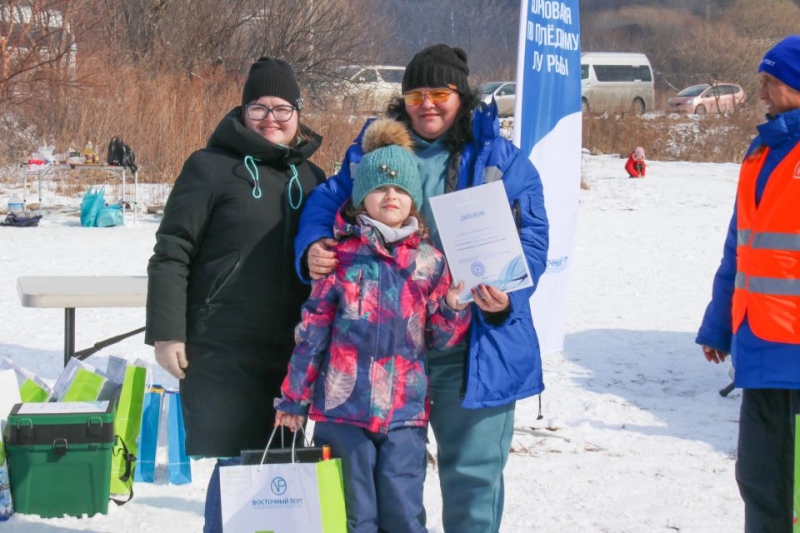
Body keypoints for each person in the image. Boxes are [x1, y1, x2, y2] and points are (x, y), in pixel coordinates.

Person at [294, 44, 550, 533]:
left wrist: (506, 298)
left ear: (462, 94)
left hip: (473, 347)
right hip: (384, 354)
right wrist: (312, 245)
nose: (427, 103)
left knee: (472, 482)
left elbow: (532, 239)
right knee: (382, 495)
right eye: (416, 93)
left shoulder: (502, 159)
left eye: (440, 92)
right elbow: (324, 203)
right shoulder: (375, 153)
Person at [144, 57, 326, 533]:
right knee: (238, 463)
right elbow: (172, 250)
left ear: (299, 112)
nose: (271, 118)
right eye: (258, 107)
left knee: (284, 463)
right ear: (243, 111)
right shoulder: (210, 167)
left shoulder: (311, 177)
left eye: (282, 108)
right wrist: (167, 332)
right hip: (225, 343)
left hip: (291, 347)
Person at [275, 118, 472, 532]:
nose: (390, 196)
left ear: (413, 200)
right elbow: (311, 334)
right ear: (361, 197)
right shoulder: (338, 257)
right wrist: (294, 399)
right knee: (353, 515)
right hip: (342, 412)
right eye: (380, 187)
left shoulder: (430, 262)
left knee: (403, 512)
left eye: (400, 189)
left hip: (405, 415)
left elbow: (439, 337)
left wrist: (453, 306)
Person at [697, 35, 800, 533]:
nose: (762, 91)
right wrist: (718, 325)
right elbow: (739, 249)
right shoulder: (760, 154)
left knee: (794, 491)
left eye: (772, 81)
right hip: (759, 350)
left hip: (796, 356)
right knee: (759, 479)